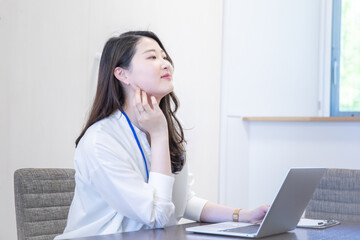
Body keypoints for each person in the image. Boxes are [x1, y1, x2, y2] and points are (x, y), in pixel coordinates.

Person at [55, 31, 269, 239]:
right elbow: (157, 217)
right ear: (122, 74)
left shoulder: (166, 125)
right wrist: (158, 135)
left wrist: (243, 216)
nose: (166, 63)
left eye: (165, 57)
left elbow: (181, 201)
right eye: (152, 57)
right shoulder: (100, 141)